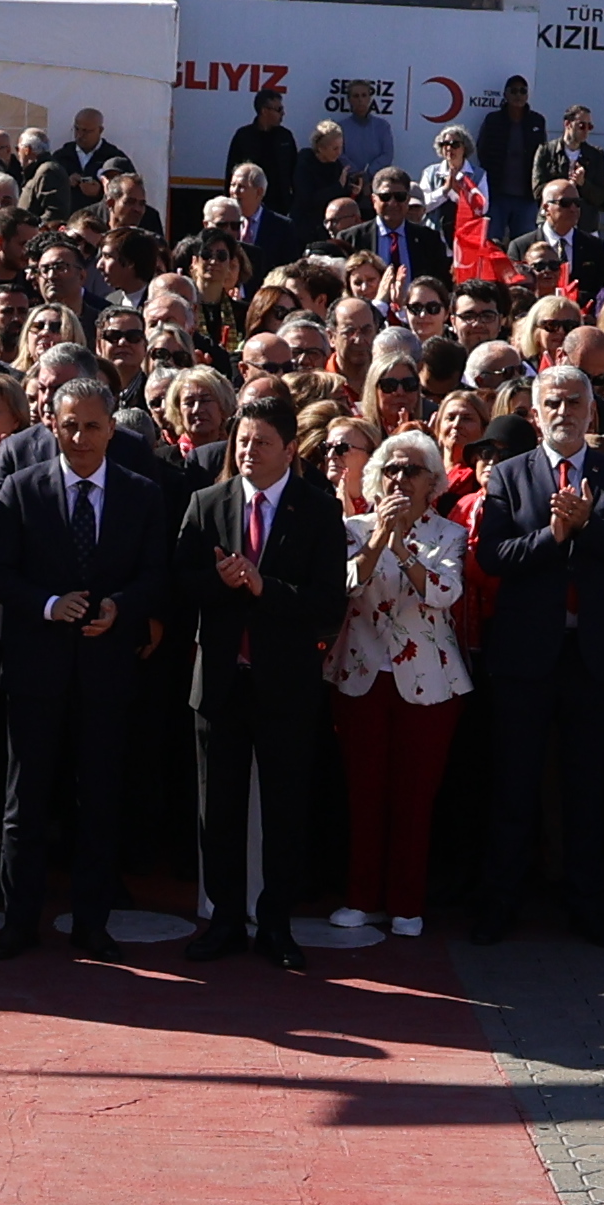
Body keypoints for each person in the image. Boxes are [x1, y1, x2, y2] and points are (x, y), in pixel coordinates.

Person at [0, 370, 169, 956]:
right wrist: (47, 605)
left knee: (100, 799)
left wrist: (120, 608)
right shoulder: (21, 488)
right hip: (37, 668)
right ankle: (18, 922)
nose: (81, 437)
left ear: (112, 428)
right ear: (51, 426)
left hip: (107, 669)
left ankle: (92, 922)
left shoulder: (143, 493)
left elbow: (155, 574)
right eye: (70, 426)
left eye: (93, 426)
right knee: (26, 802)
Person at [461, 364, 604, 946]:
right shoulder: (510, 477)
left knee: (587, 789)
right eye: (552, 403)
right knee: (514, 786)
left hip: (591, 657)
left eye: (574, 403)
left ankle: (588, 906)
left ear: (592, 412)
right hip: (525, 657)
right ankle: (500, 903)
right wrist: (554, 538)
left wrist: (588, 528)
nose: (564, 412)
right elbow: (492, 556)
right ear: (535, 413)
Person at [179, 386, 344, 966]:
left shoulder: (318, 508)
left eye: (262, 443)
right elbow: (180, 585)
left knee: (284, 809)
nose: (249, 451)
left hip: (286, 686)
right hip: (222, 682)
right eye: (242, 441)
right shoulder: (208, 503)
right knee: (216, 810)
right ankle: (224, 919)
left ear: (290, 449)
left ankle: (275, 923)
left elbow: (329, 603)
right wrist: (219, 582)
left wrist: (262, 586)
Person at [324, 427, 467, 940]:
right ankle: (361, 898)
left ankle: (406, 901)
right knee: (364, 792)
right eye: (391, 469)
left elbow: (443, 594)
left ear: (433, 482)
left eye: (412, 471)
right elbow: (346, 586)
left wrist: (404, 549)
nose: (400, 479)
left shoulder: (447, 534)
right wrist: (380, 538)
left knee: (415, 795)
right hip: (360, 674)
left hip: (430, 683)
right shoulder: (354, 528)